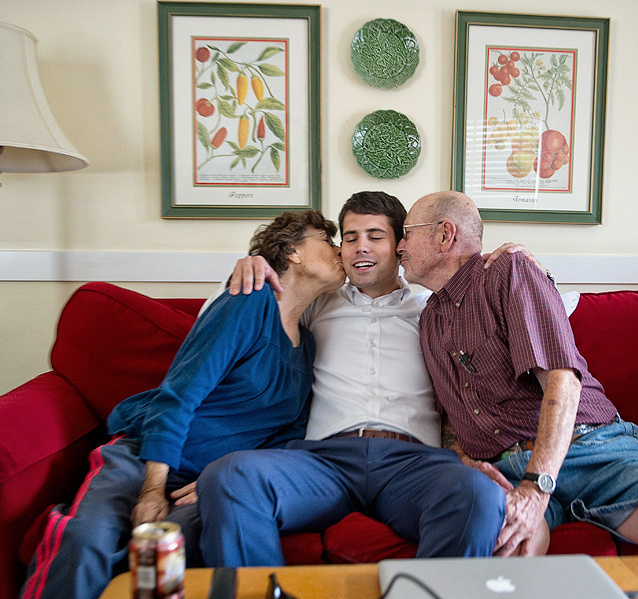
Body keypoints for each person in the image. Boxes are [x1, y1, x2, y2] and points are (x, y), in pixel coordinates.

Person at [396, 190, 638, 571]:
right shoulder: (429, 322)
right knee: (506, 549)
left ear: (445, 235)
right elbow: (451, 421)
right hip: (505, 469)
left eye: (407, 232)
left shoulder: (508, 271)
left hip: (589, 447)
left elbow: (563, 382)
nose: (399, 245)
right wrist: (465, 461)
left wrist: (537, 487)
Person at [20, 210, 347, 599]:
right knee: (88, 540)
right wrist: (152, 489)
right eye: (328, 240)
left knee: (173, 555)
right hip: (147, 459)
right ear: (292, 251)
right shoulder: (248, 303)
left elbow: (284, 436)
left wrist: (218, 478)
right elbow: (180, 392)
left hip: (205, 480)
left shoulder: (307, 345)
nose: (340, 249)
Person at [192, 191, 512, 567]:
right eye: (349, 237)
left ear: (400, 246)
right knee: (229, 476)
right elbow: (217, 326)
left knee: (478, 494)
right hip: (324, 462)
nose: (361, 248)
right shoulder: (317, 302)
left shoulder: (433, 307)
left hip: (413, 463)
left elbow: (526, 309)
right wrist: (254, 268)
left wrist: (519, 262)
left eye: (376, 237)